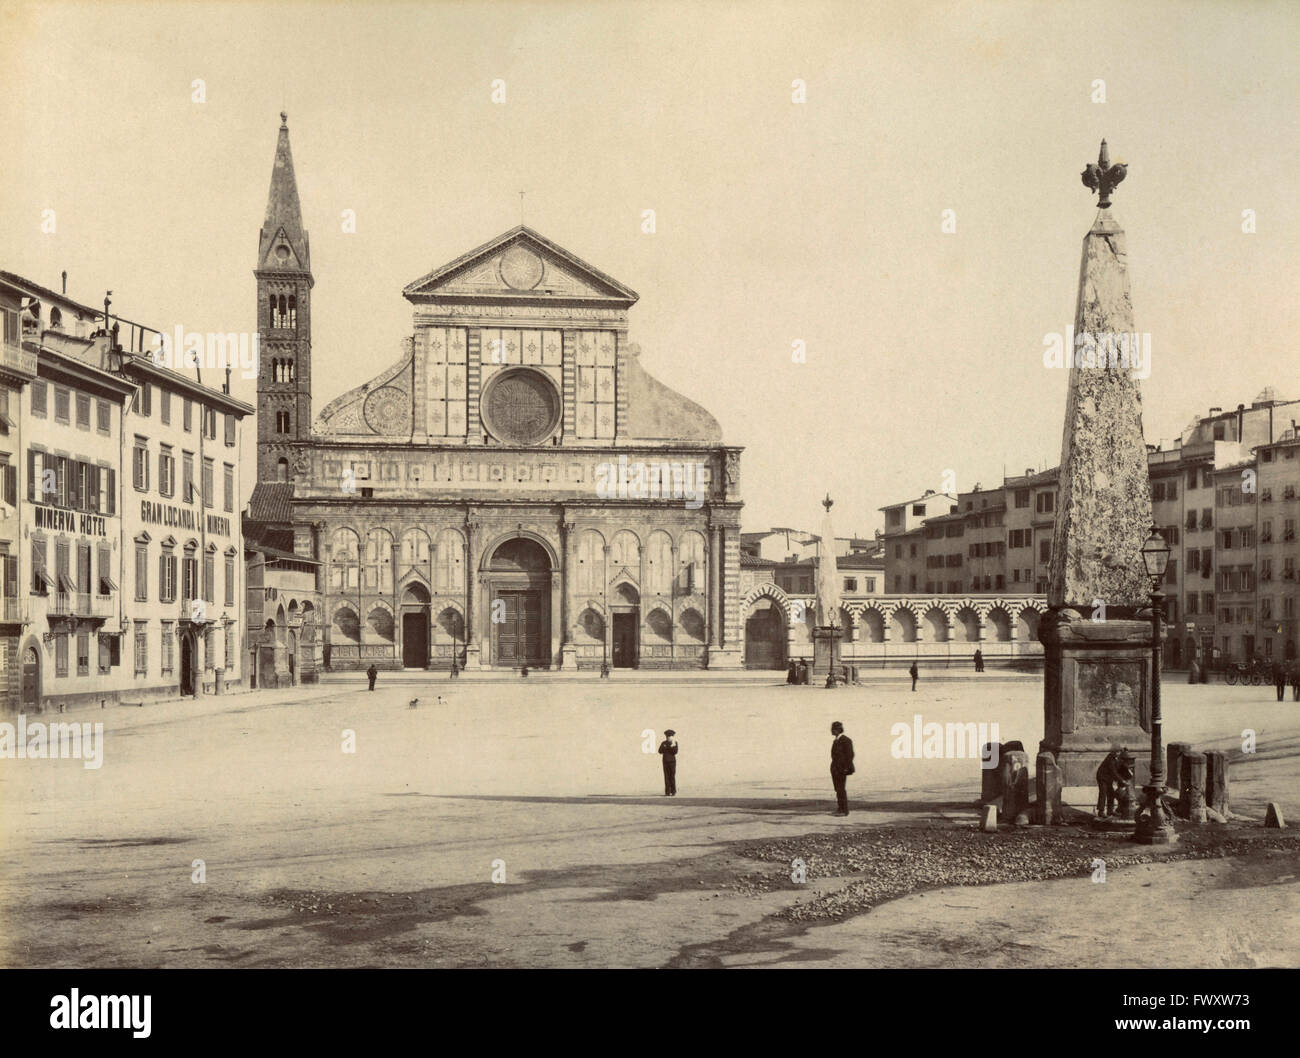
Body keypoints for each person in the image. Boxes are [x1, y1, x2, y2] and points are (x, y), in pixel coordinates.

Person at [829, 721, 854, 816]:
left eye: (833, 729)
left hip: (842, 769)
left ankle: (844, 811)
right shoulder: (836, 740)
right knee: (838, 789)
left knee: (841, 789)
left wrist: (846, 768)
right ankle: (840, 809)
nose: (831, 731)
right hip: (836, 769)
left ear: (838, 730)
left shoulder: (846, 740)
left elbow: (850, 755)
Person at [658, 729, 678, 795]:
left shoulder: (674, 743)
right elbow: (660, 751)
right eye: (667, 736)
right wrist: (667, 747)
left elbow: (675, 752)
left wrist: (668, 747)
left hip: (672, 762)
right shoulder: (663, 743)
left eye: (670, 736)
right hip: (665, 762)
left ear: (672, 736)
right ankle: (667, 792)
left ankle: (673, 791)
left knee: (672, 776)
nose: (668, 737)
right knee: (666, 777)